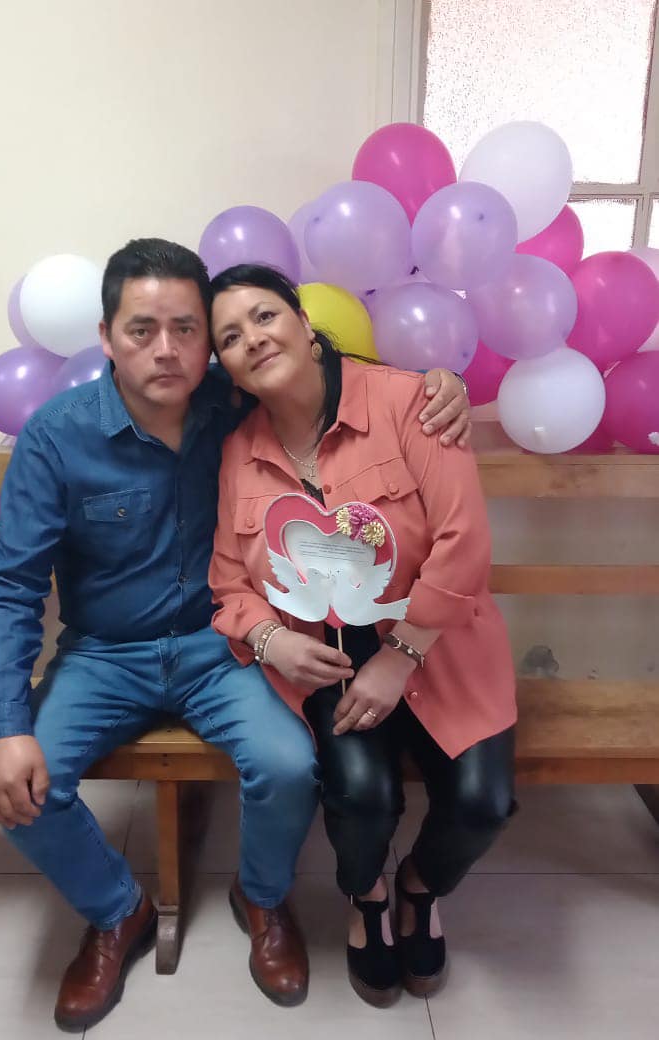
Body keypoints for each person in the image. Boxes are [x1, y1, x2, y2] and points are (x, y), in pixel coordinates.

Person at [0, 238, 470, 1030]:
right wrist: (5, 725)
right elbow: (10, 585)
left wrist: (439, 384)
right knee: (20, 792)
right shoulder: (56, 437)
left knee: (289, 764)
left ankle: (262, 898)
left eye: (186, 328)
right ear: (106, 337)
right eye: (141, 330)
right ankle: (118, 910)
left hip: (221, 645)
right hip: (104, 656)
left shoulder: (237, 400)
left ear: (208, 341)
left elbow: (337, 386)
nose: (166, 350)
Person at [207, 264, 516, 1008]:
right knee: (359, 796)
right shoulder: (237, 451)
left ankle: (419, 889)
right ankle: (368, 897)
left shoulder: (411, 402)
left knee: (483, 802)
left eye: (265, 316)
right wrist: (271, 641)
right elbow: (228, 584)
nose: (253, 339)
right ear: (229, 370)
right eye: (230, 337)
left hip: (438, 639)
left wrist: (401, 656)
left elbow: (465, 542)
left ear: (305, 325)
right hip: (329, 653)